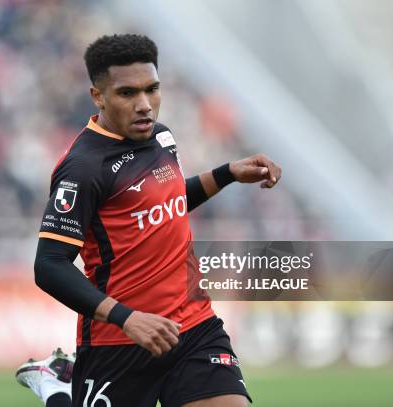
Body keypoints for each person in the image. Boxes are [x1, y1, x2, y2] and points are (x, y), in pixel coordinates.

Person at [20, 34, 281, 407]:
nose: (145, 105)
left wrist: (226, 173)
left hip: (192, 325)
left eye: (152, 89)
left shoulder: (161, 137)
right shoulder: (83, 167)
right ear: (99, 97)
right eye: (128, 93)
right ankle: (57, 388)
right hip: (119, 341)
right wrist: (126, 318)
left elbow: (167, 201)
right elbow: (49, 265)